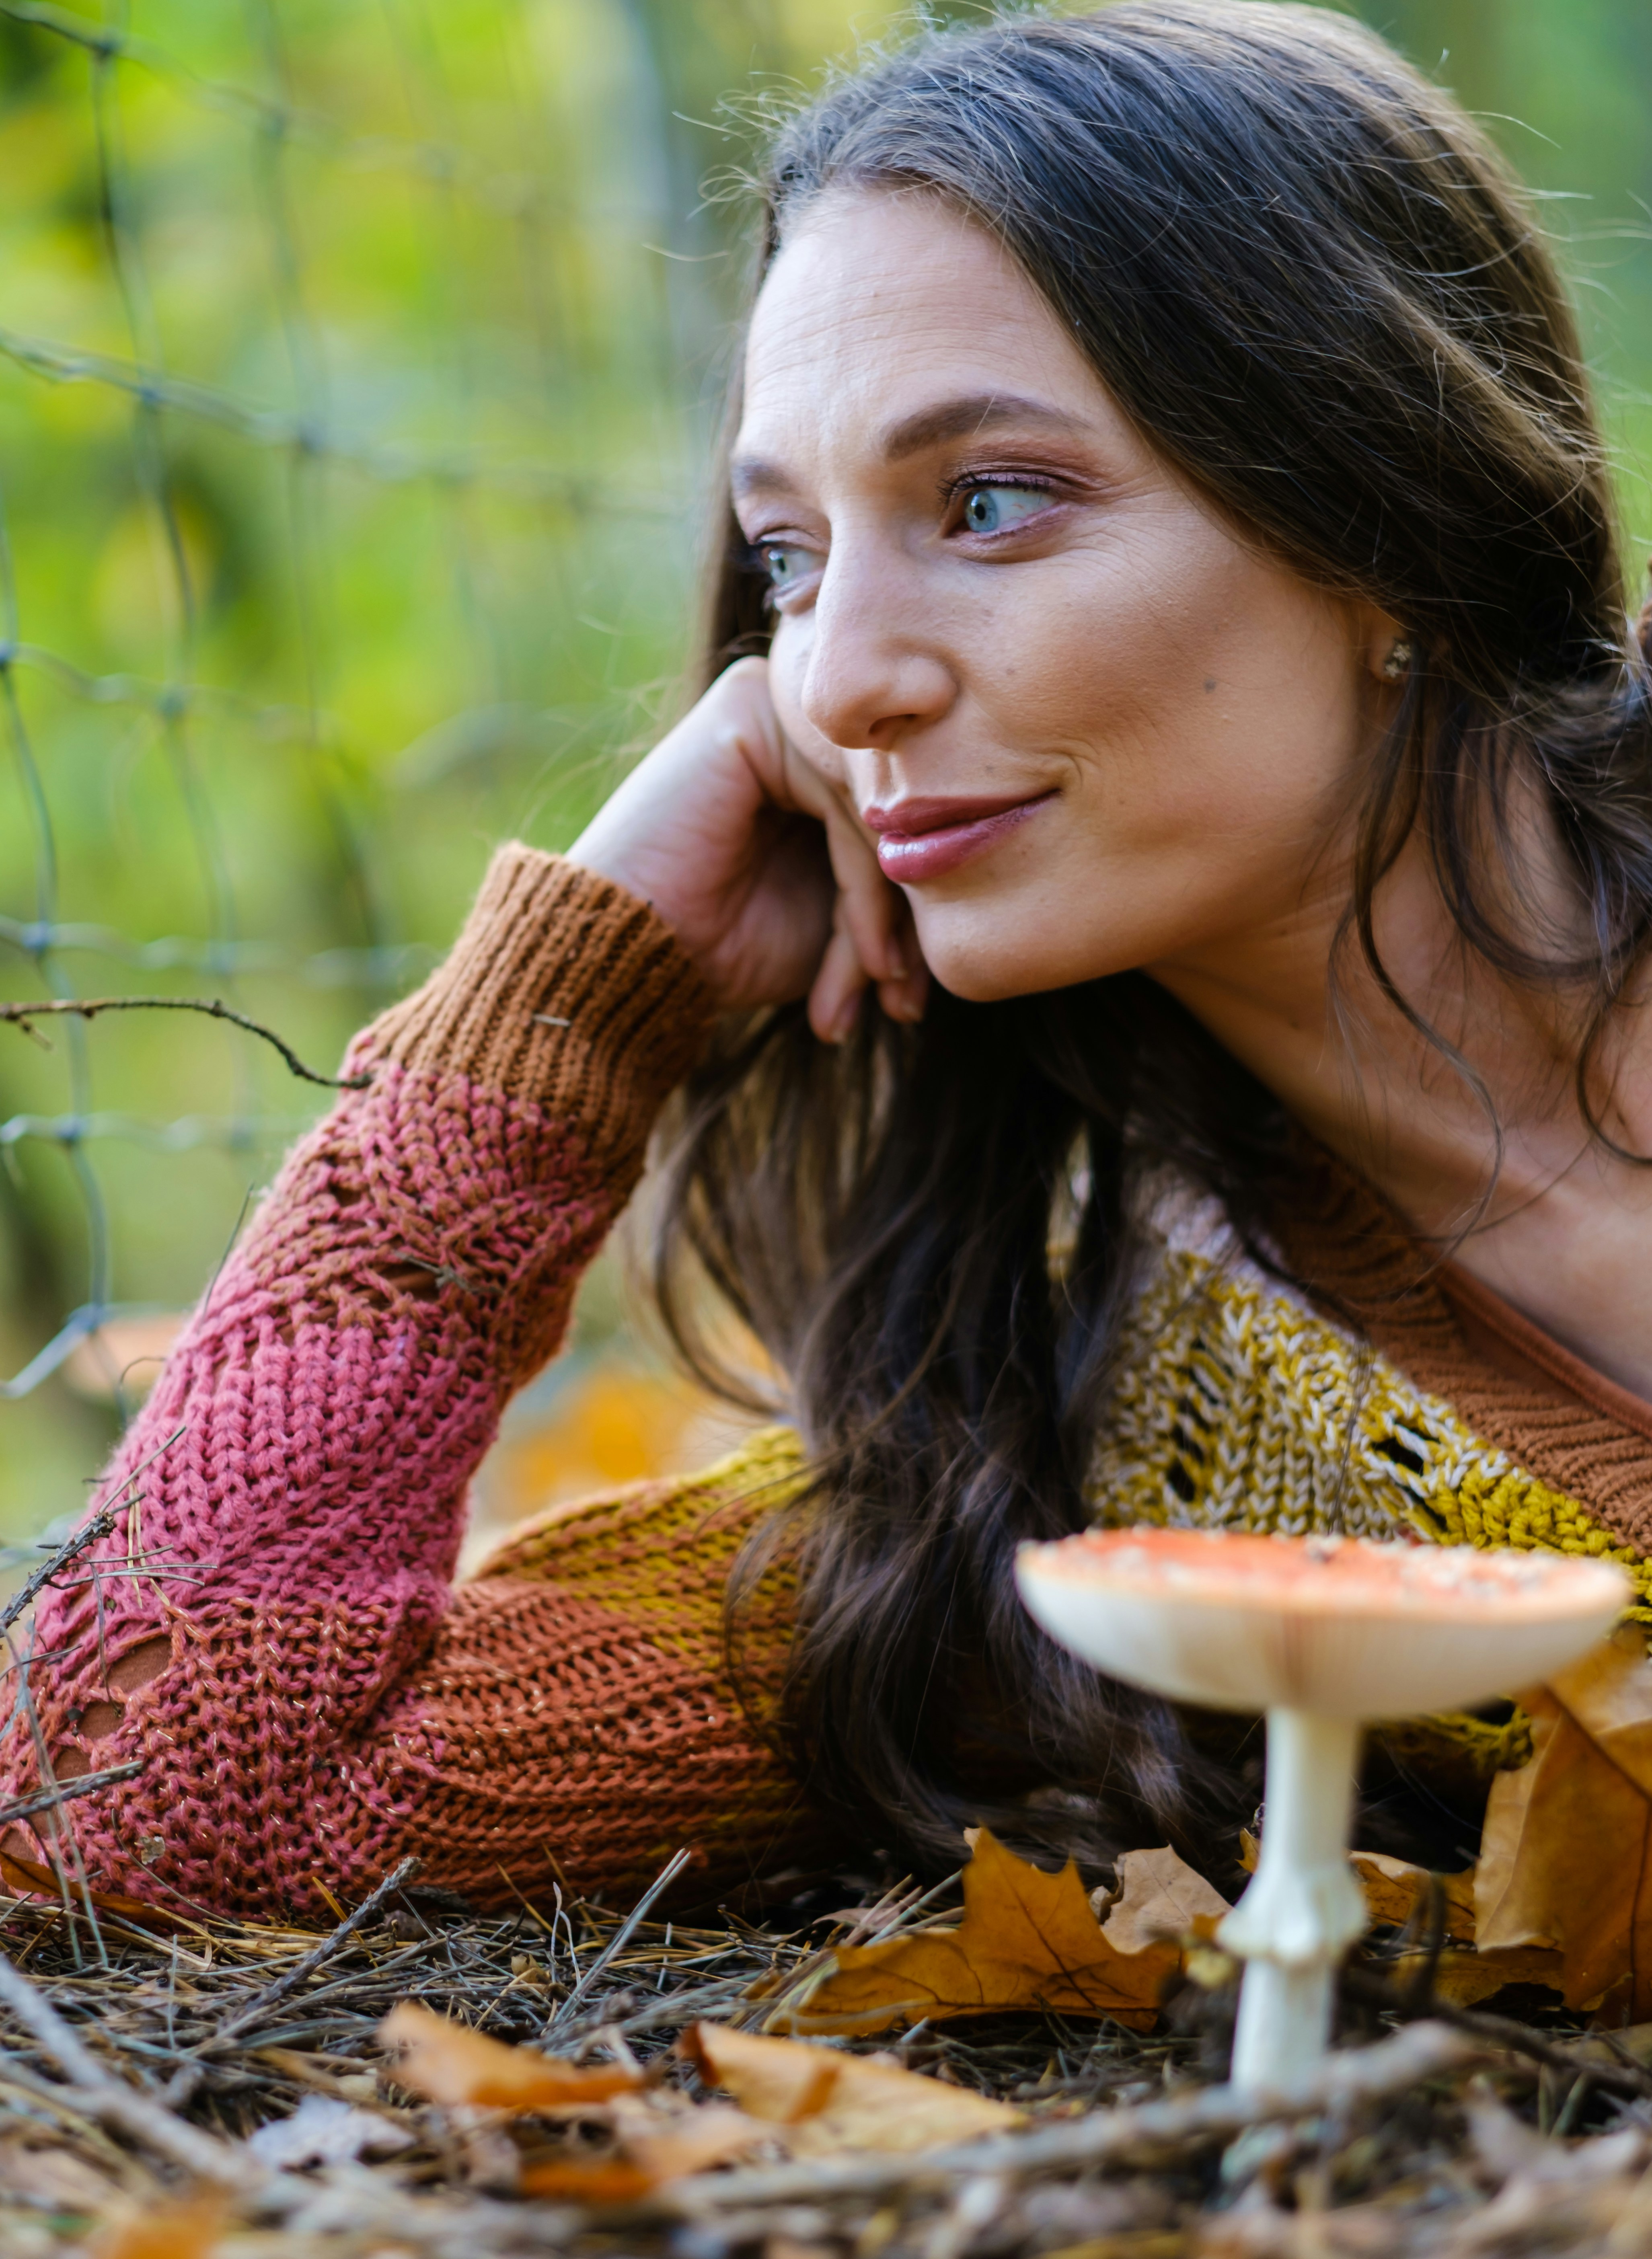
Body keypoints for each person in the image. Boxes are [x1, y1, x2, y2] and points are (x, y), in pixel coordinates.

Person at [7, 1, 1652, 1943]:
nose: (836, 677)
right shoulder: (1089, 1479)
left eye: (988, 502)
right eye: (786, 558)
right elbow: (145, 1787)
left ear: (1381, 505)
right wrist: (559, 1007)